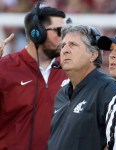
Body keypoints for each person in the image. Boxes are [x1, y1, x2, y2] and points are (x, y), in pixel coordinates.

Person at [0, 2, 69, 150]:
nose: (63, 37)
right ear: (37, 33)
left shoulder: (71, 69)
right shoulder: (4, 68)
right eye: (59, 31)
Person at [47, 25, 116, 150]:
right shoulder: (62, 93)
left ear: (93, 55)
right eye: (63, 45)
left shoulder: (107, 88)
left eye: (73, 45)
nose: (65, 50)